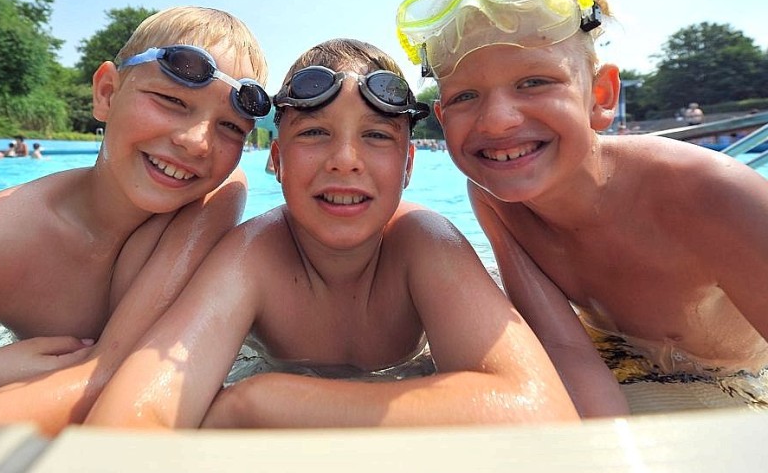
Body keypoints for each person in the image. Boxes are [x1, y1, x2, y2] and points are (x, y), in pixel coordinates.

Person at [85, 38, 578, 430]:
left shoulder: (423, 243)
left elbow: (537, 411)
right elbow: (132, 414)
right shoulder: (252, 256)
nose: (345, 159)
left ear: (408, 166)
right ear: (276, 161)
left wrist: (260, 402)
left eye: (377, 135)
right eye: (315, 133)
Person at [395, 0, 768, 417]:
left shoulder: (712, 194)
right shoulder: (494, 196)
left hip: (739, 380)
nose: (498, 120)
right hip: (615, 356)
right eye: (466, 96)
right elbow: (565, 347)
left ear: (600, 95)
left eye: (534, 82)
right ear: (442, 119)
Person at [0, 6, 271, 433]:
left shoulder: (214, 197)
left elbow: (112, 374)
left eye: (231, 128)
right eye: (172, 101)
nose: (197, 143)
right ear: (107, 93)